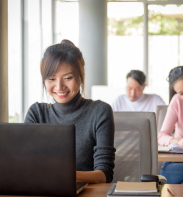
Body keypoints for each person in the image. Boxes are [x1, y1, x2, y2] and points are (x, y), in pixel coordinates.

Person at [24, 40, 116, 183]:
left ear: (80, 75)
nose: (59, 86)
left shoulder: (99, 112)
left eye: (68, 78)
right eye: (51, 79)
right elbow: (26, 165)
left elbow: (104, 174)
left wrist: (65, 175)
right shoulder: (37, 113)